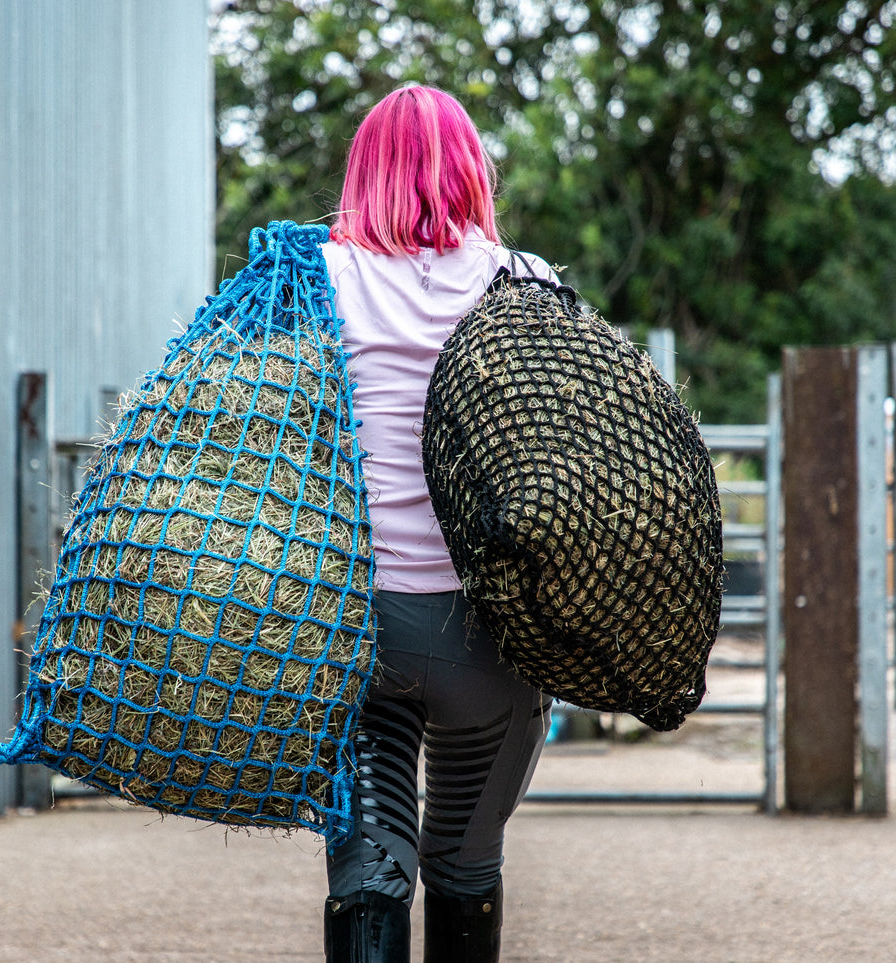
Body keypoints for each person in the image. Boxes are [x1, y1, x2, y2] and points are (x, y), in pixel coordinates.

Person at [319, 84, 557, 963]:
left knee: (370, 868)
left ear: (363, 172)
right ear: (471, 174)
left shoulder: (315, 281)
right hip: (489, 639)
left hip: (357, 628)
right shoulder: (526, 283)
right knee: (464, 860)